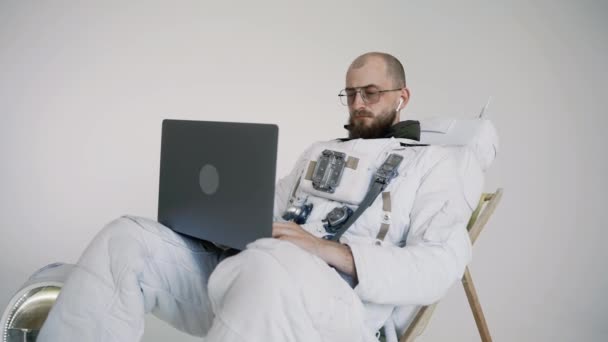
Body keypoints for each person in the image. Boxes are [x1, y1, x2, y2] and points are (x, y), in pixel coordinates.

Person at [38, 52, 472, 342]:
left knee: (271, 262)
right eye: (351, 93)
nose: (358, 103)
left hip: (343, 312)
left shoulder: (435, 165)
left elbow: (442, 264)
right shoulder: (318, 153)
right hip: (251, 276)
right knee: (127, 239)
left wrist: (327, 251)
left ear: (402, 97)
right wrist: (216, 224)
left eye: (371, 93)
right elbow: (264, 215)